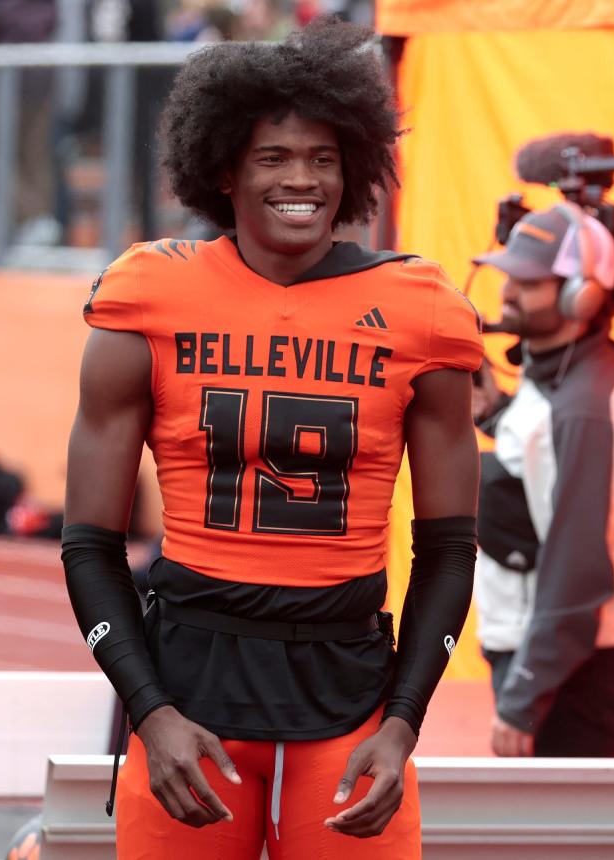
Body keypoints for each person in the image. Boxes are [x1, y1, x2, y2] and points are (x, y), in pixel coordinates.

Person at [61, 18, 482, 859]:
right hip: (189, 696)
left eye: (324, 158)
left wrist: (403, 724)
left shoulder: (420, 308)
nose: (303, 179)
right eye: (275, 157)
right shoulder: (148, 293)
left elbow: (448, 548)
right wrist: (151, 711)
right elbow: (88, 544)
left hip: (349, 694)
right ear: (224, 169)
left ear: (354, 167)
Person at [472, 202, 614, 758]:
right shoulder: (555, 372)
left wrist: (525, 694)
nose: (508, 293)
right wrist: (495, 416)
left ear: (581, 295)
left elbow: (577, 566)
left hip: (567, 672)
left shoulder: (582, 409)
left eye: (530, 281)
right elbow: (543, 471)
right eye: (509, 276)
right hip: (552, 660)